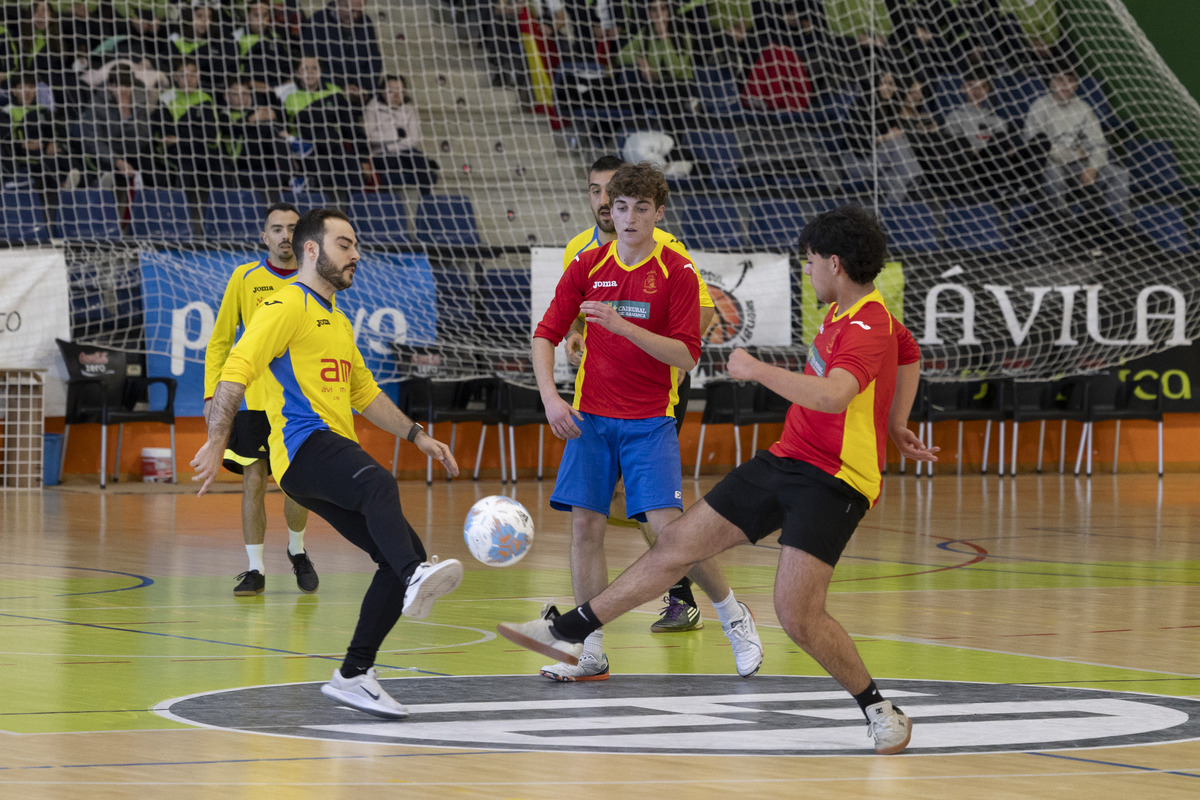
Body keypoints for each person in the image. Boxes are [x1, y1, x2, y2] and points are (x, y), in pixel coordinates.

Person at [500, 203, 939, 755]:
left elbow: (835, 395)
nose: (806, 270)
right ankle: (567, 632)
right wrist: (897, 424)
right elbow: (911, 352)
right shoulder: (852, 314)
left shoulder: (868, 324)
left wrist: (756, 370)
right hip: (787, 458)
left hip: (835, 482)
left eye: (809, 261)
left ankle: (879, 709)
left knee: (797, 616)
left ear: (835, 264)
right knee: (676, 542)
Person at [192, 208, 465, 719]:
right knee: (379, 486)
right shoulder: (285, 304)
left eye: (356, 245)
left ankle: (354, 674)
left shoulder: (336, 319)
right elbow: (237, 367)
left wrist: (417, 434)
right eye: (345, 244)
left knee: (400, 550)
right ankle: (413, 577)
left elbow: (364, 391)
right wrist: (216, 438)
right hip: (302, 445)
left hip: (324, 453)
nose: (356, 254)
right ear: (313, 250)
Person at [533, 162, 763, 682]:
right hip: (590, 417)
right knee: (585, 524)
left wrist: (620, 324)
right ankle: (589, 651)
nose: (630, 217)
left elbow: (685, 356)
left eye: (641, 208)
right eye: (620, 207)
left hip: (649, 420)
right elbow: (545, 334)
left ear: (658, 213)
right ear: (608, 211)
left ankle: (733, 614)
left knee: (669, 532)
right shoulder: (587, 264)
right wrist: (551, 398)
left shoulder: (678, 271)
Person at [562, 154, 721, 635]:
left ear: (651, 208)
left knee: (653, 509)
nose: (612, 207)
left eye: (627, 200)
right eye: (600, 194)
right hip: (598, 396)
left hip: (655, 391)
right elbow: (572, 317)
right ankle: (590, 640)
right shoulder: (580, 252)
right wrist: (577, 338)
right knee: (594, 515)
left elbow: (702, 319)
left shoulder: (668, 251)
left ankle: (695, 598)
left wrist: (646, 348)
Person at [204, 202, 315, 596]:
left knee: (295, 484)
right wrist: (210, 393)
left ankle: (297, 552)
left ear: (303, 238)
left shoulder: (314, 279)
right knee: (254, 480)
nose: (285, 235)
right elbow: (219, 340)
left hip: (298, 403)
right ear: (263, 236)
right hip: (252, 399)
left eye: (292, 228)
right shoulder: (245, 277)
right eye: (277, 228)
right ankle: (255, 568)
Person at [1023, 67, 1130, 222]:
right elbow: (1038, 148)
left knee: (1119, 174)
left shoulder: (1083, 108)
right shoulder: (1039, 107)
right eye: (1060, 80)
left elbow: (1099, 143)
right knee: (1055, 175)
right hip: (1050, 165)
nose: (1065, 85)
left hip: (1078, 166)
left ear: (1076, 85)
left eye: (1070, 80)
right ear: (1051, 84)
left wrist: (1093, 167)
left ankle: (1120, 225)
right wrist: (1077, 153)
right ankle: (1063, 224)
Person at [942, 71, 1048, 202]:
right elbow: (955, 147)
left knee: (1041, 140)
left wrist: (1011, 149)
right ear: (963, 88)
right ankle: (1002, 189)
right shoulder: (954, 117)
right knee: (999, 138)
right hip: (978, 164)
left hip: (1003, 160)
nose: (977, 91)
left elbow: (1008, 147)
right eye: (971, 86)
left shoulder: (998, 119)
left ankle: (1029, 189)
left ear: (987, 90)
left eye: (982, 87)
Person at [843, 70, 924, 204]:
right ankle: (915, 180)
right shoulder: (861, 106)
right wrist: (886, 137)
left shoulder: (891, 108)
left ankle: (887, 218)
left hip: (880, 163)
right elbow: (860, 146)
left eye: (891, 84)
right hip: (856, 162)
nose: (888, 88)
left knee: (898, 182)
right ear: (876, 84)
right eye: (884, 83)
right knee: (896, 142)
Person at [361, 74, 439, 195]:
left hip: (405, 151)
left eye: (400, 91)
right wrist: (396, 134)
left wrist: (389, 145)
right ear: (383, 92)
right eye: (391, 91)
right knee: (394, 168)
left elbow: (413, 139)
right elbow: (369, 136)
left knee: (421, 162)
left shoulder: (409, 109)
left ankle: (426, 203)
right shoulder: (372, 108)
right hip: (381, 154)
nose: (396, 95)